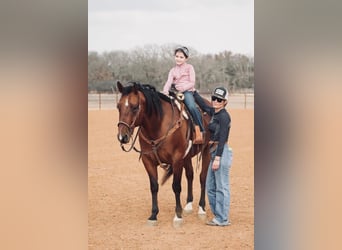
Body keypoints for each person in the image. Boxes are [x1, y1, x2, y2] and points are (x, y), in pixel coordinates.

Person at [193, 87, 233, 226]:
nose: (215, 101)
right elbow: (203, 105)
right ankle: (218, 216)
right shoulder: (213, 112)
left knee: (221, 187)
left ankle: (223, 218)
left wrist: (217, 158)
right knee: (210, 186)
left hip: (220, 153)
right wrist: (193, 92)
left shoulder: (224, 116)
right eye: (214, 98)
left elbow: (223, 139)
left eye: (219, 99)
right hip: (213, 151)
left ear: (225, 102)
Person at [162, 46, 204, 144]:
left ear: (186, 59)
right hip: (175, 91)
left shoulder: (190, 68)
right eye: (177, 56)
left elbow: (192, 82)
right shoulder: (172, 70)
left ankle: (200, 131)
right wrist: (165, 92)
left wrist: (182, 89)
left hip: (187, 91)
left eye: (181, 57)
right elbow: (168, 82)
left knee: (192, 107)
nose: (178, 59)